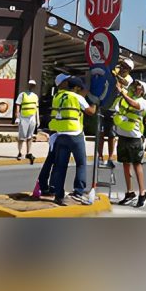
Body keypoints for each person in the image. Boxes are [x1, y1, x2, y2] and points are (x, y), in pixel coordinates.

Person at [48, 76, 98, 206]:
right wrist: (95, 102)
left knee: (60, 166)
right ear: (75, 88)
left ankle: (58, 196)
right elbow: (91, 112)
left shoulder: (57, 97)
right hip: (75, 135)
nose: (81, 90)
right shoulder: (77, 97)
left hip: (60, 135)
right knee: (81, 163)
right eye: (80, 88)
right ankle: (78, 192)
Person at [34, 73, 70, 198]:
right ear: (61, 84)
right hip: (57, 132)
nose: (68, 82)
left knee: (52, 160)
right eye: (66, 81)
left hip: (57, 131)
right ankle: (47, 186)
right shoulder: (62, 96)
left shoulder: (60, 96)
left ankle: (46, 185)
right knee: (54, 161)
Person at [114, 79, 146, 208]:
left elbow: (134, 105)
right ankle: (129, 193)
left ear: (143, 91)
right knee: (125, 165)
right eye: (135, 86)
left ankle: (142, 193)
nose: (135, 88)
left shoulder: (143, 102)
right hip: (123, 135)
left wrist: (123, 93)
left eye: (138, 87)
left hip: (134, 137)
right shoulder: (125, 98)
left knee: (137, 165)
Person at [98, 57, 134, 168]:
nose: (122, 68)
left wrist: (115, 75)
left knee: (111, 135)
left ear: (129, 70)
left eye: (125, 67)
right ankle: (99, 156)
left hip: (115, 109)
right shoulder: (115, 70)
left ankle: (110, 157)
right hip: (104, 106)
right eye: (122, 65)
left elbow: (124, 82)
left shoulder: (129, 79)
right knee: (101, 133)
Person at [14, 79, 40, 164]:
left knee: (30, 136)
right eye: (30, 85)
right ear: (28, 85)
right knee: (22, 136)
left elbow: (37, 108)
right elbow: (18, 105)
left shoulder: (35, 96)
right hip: (24, 117)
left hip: (32, 117)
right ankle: (19, 152)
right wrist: (17, 117)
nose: (31, 86)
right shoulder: (22, 95)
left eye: (33, 85)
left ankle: (28, 153)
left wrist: (37, 119)